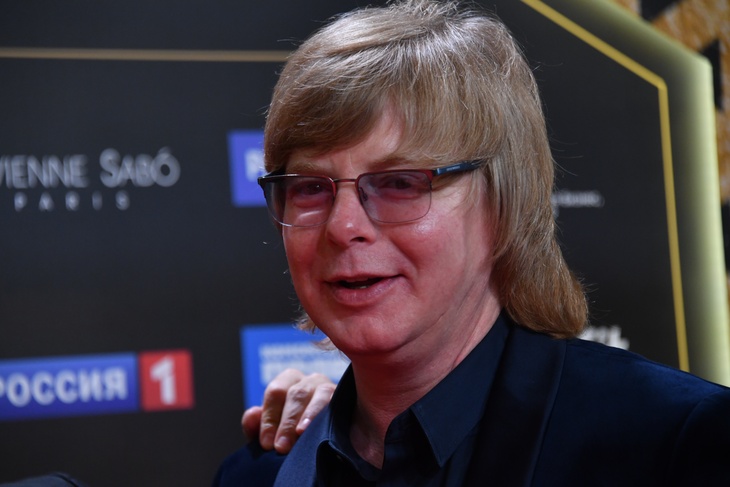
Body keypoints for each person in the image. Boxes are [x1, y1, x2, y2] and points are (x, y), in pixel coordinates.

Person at [213, 0, 730, 485]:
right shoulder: (253, 477)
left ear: (503, 202)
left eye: (399, 183)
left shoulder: (673, 443)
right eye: (309, 188)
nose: (342, 226)